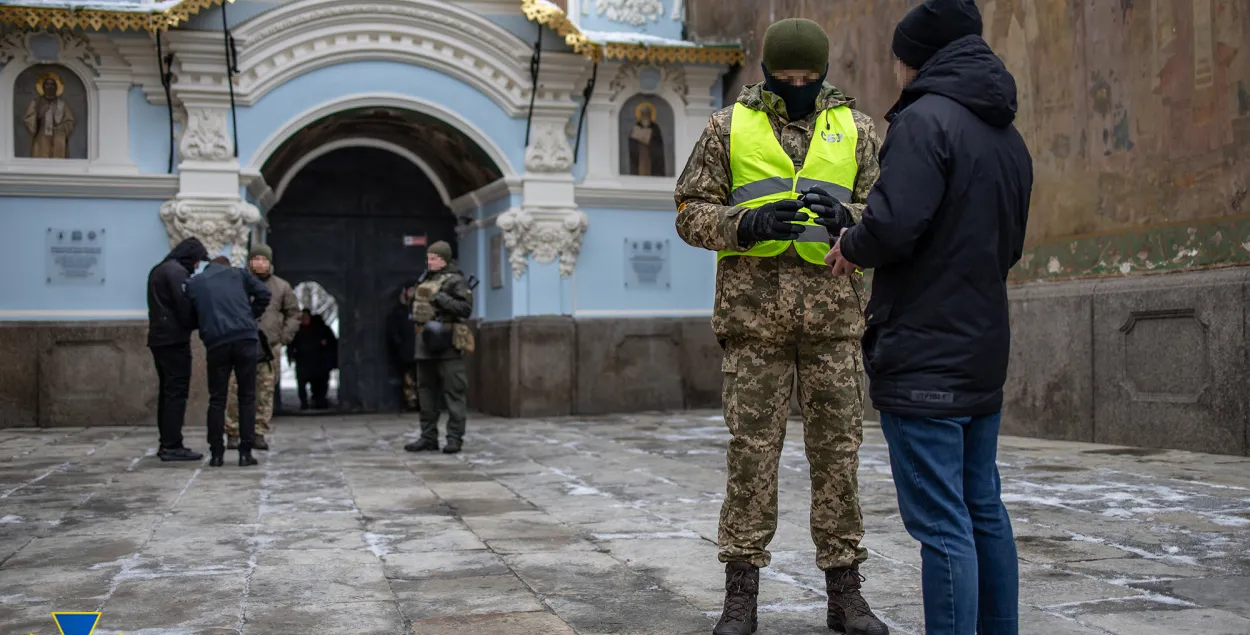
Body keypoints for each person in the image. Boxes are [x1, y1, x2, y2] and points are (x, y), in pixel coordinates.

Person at [674, 17, 888, 635]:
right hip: (754, 324)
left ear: (824, 73)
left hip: (833, 322)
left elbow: (890, 211)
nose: (798, 85)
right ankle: (740, 598)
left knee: (838, 459)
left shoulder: (856, 129)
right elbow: (690, 211)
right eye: (786, 76)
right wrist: (745, 225)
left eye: (810, 77)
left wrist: (847, 214)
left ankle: (845, 596)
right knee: (751, 458)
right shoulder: (726, 127)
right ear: (765, 72)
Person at [826, 1, 1033, 633]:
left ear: (918, 58)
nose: (895, 69)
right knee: (983, 510)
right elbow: (1010, 242)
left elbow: (895, 223)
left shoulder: (924, 121)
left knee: (942, 524)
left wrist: (851, 244)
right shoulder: (1006, 134)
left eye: (898, 57)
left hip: (924, 352)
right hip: (981, 345)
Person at [185, 256, 271, 467]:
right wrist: (250, 317)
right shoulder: (239, 274)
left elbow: (189, 312)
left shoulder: (195, 282)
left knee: (217, 398)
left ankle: (216, 454)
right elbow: (264, 294)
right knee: (247, 397)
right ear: (227, 265)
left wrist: (206, 324)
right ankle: (245, 453)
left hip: (217, 342)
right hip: (245, 339)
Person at [225, 244, 300, 450]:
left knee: (265, 391)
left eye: (264, 259)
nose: (260, 263)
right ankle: (233, 431)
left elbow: (294, 313)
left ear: (270, 262)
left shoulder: (281, 287)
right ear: (249, 261)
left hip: (268, 348)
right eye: (256, 259)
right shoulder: (239, 284)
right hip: (241, 344)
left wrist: (284, 336)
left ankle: (259, 431)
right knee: (234, 389)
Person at [403, 241, 474, 455]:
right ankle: (428, 437)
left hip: (447, 344)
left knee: (454, 392)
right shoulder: (425, 278)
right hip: (424, 342)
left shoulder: (456, 280)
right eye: (429, 257)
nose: (430, 261)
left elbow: (465, 308)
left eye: (434, 258)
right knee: (425, 393)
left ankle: (454, 438)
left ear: (444, 259)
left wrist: (439, 297)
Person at [146, 237, 209, 462]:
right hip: (174, 340)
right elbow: (185, 307)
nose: (196, 267)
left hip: (159, 339)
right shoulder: (177, 273)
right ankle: (172, 445)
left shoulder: (159, 269)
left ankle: (166, 442)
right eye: (197, 262)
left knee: (167, 392)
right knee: (176, 393)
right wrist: (198, 320)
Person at [289, 310, 337, 410]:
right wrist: (291, 356)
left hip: (318, 362)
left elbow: (332, 343)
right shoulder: (297, 330)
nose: (304, 320)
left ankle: (319, 401)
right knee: (301, 384)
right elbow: (291, 344)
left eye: (306, 317)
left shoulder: (320, 329)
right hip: (302, 361)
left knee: (318, 384)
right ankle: (304, 403)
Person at [387, 283, 420, 412]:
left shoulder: (421, 310)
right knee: (407, 379)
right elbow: (393, 331)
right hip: (405, 352)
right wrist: (399, 344)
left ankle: (421, 403)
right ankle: (409, 403)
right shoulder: (399, 312)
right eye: (410, 291)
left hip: (420, 350)